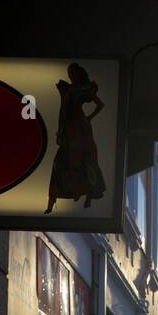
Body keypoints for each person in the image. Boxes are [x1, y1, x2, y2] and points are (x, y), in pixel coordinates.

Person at [45, 62, 106, 214]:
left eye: (73, 72)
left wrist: (89, 117)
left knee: (84, 159)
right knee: (61, 161)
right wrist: (60, 130)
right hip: (68, 129)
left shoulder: (84, 88)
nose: (71, 75)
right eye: (69, 72)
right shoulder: (65, 88)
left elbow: (100, 104)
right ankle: (53, 200)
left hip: (80, 129)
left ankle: (88, 194)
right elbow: (62, 110)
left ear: (79, 74)